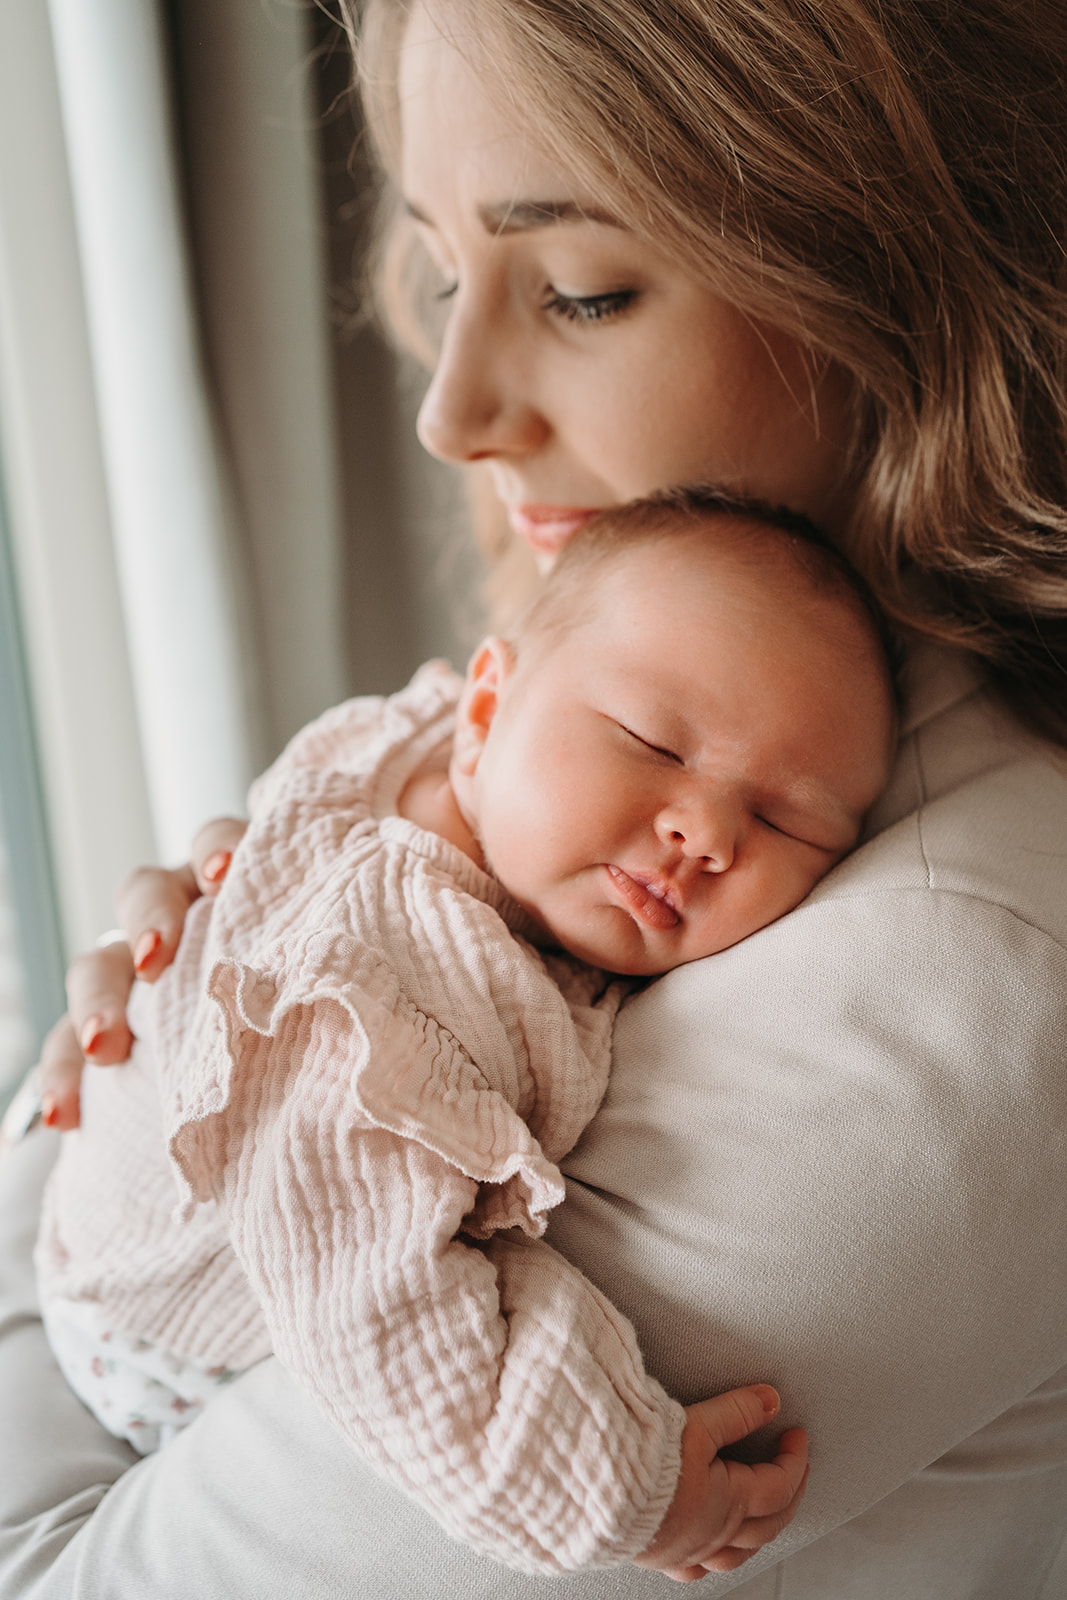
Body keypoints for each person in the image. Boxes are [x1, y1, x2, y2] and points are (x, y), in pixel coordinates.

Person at [2, 0, 1067, 1596]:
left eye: (577, 288)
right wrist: (154, 1045)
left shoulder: (950, 987)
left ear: (886, 277)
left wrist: (51, 1183)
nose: (445, 408)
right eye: (444, 272)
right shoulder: (485, 767)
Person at [34, 498, 894, 1578]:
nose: (707, 832)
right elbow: (373, 1300)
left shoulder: (454, 751)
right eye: (652, 741)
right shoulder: (384, 987)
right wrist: (616, 1487)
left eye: (786, 822)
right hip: (162, 1327)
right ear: (484, 708)